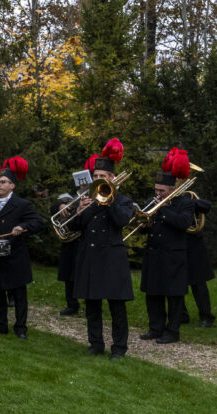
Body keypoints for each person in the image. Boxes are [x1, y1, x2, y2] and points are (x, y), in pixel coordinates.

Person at [68, 140, 134, 359]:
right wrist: (79, 209)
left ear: (112, 178)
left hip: (112, 257)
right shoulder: (87, 200)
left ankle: (119, 347)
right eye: (95, 176)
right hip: (90, 256)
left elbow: (121, 221)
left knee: (117, 306)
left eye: (102, 176)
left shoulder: (123, 200)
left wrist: (109, 199)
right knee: (92, 305)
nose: (97, 180)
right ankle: (96, 343)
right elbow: (73, 227)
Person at [0, 156, 43, 339]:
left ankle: (20, 328)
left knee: (19, 295)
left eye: (4, 182)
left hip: (15, 256)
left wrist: (23, 227)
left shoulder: (22, 204)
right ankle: (0, 325)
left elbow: (37, 222)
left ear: (12, 186)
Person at [139, 148, 194, 344]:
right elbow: (142, 228)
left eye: (161, 191)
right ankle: (156, 328)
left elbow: (183, 223)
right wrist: (143, 224)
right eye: (156, 190)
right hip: (154, 254)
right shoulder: (151, 202)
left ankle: (172, 331)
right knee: (153, 294)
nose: (157, 194)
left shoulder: (184, 203)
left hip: (173, 256)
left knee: (174, 296)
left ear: (172, 190)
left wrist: (163, 210)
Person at [182, 196, 216, 327]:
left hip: (193, 244)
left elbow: (206, 205)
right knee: (176, 282)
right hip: (174, 242)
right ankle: (181, 315)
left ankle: (206, 316)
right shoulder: (164, 194)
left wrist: (184, 201)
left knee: (198, 283)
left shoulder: (189, 195)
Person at [51, 192, 81, 316]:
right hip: (70, 243)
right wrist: (60, 206)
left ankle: (94, 304)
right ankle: (72, 304)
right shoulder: (75, 196)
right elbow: (53, 207)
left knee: (89, 275)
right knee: (68, 275)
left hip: (86, 241)